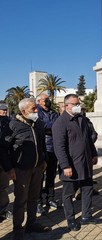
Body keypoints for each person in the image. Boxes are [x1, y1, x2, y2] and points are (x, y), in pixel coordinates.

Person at [0, 98, 51, 240]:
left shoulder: (38, 123)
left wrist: (44, 159)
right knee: (20, 200)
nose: (36, 111)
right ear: (23, 112)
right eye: (33, 109)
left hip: (38, 168)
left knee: (33, 198)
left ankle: (31, 223)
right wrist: (9, 169)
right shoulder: (13, 125)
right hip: (21, 170)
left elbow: (42, 143)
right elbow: (3, 149)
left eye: (36, 108)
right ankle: (17, 229)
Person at [52, 94, 102, 232]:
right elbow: (59, 147)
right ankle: (70, 219)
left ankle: (86, 216)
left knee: (87, 189)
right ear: (67, 105)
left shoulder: (81, 119)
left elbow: (88, 139)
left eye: (78, 103)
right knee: (68, 194)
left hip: (85, 162)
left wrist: (93, 154)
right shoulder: (60, 123)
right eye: (75, 104)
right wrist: (65, 165)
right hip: (71, 165)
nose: (78, 106)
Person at [36, 93, 60, 215]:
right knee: (40, 176)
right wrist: (53, 127)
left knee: (51, 175)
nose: (48, 101)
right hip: (42, 147)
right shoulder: (37, 112)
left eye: (48, 99)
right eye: (45, 99)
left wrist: (53, 127)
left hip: (54, 148)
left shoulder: (54, 112)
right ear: (39, 101)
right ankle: (38, 201)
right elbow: (41, 126)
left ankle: (50, 198)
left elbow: (58, 125)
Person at [74, 103, 99, 200]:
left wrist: (89, 142)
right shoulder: (75, 121)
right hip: (78, 152)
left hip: (88, 150)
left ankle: (90, 189)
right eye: (81, 109)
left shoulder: (88, 121)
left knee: (89, 172)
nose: (83, 112)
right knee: (79, 172)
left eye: (84, 110)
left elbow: (93, 133)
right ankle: (77, 191)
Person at [0, 103, 12, 221]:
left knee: (2, 187)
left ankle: (3, 210)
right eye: (1, 110)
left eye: (5, 110)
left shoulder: (9, 121)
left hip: (3, 158)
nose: (3, 111)